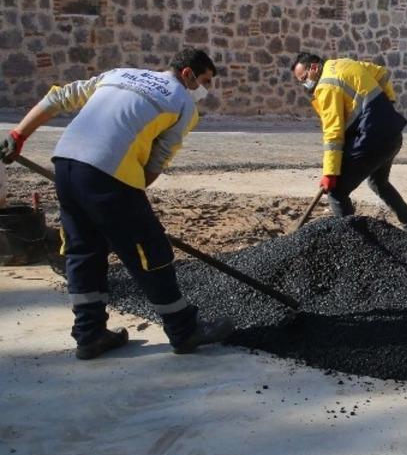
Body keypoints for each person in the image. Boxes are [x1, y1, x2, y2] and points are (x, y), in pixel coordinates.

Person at [0, 49, 234, 359]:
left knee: (84, 249)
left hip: (66, 164)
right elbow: (156, 164)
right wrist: (129, 203)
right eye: (204, 81)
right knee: (150, 251)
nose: (204, 90)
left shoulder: (119, 73)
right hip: (107, 175)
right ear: (188, 74)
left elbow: (60, 96)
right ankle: (183, 330)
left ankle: (90, 333)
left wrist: (18, 136)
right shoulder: (182, 104)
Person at [291, 52, 407, 235]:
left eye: (304, 78)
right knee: (379, 183)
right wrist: (388, 102)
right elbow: (382, 72)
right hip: (392, 133)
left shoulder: (326, 87)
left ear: (314, 67)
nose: (304, 84)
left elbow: (333, 134)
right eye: (300, 81)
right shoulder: (343, 64)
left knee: (337, 192)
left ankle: (351, 241)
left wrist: (330, 174)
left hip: (372, 141)